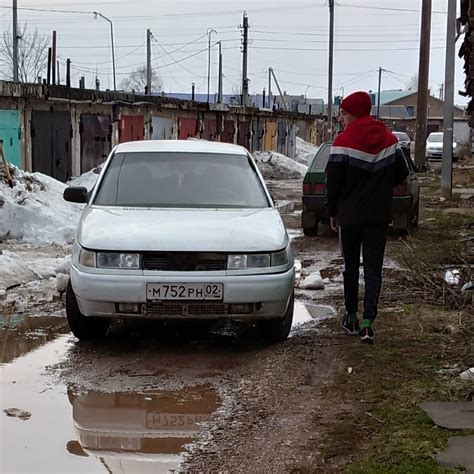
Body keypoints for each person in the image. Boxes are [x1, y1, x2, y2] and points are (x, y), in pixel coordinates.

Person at [325, 91, 409, 344]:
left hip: (349, 217)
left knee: (350, 267)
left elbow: (334, 182)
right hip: (378, 216)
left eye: (343, 113)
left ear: (353, 114)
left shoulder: (343, 142)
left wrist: (332, 211)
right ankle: (368, 322)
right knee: (373, 269)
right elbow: (401, 174)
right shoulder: (389, 140)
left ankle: (350, 315)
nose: (341, 118)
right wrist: (379, 187)